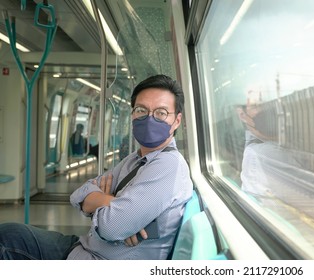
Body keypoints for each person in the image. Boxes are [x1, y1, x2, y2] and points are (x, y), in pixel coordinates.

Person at [0, 74, 193, 260]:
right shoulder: (135, 159)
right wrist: (114, 203)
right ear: (133, 114)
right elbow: (78, 195)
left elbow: (112, 227)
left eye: (161, 113)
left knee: (7, 244)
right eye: (141, 110)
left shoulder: (168, 166)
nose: (150, 119)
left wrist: (101, 203)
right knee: (10, 233)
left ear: (177, 120)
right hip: (84, 248)